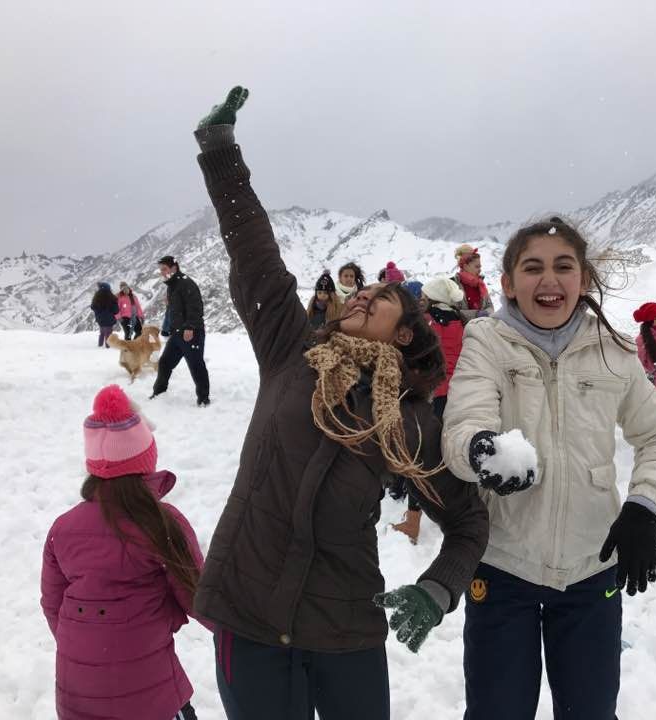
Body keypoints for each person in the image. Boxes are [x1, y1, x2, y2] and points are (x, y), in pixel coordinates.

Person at [191, 87, 488, 720]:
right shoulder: (291, 353)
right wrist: (221, 156)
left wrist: (437, 590)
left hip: (345, 627)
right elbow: (255, 254)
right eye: (361, 292)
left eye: (380, 298)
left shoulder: (411, 421)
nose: (361, 298)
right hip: (248, 612)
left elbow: (467, 524)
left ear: (404, 332)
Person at [442, 217, 656, 720]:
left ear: (583, 279)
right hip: (502, 568)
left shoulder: (613, 351)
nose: (548, 280)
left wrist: (644, 505)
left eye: (563, 266)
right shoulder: (485, 343)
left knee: (590, 713)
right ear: (509, 283)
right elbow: (462, 426)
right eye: (532, 268)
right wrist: (482, 452)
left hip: (591, 569)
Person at [40, 385, 209, 720]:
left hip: (77, 692)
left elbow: (53, 605)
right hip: (149, 694)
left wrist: (91, 643)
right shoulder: (161, 523)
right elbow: (200, 599)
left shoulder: (63, 528)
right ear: (146, 459)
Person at [391, 276, 466, 545]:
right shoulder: (460, 322)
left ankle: (413, 521)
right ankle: (448, 508)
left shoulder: (426, 323)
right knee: (443, 454)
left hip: (428, 396)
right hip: (452, 396)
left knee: (419, 455)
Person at [151, 256, 210, 407]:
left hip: (191, 333)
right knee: (165, 363)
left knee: (196, 365)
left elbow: (195, 307)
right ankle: (159, 393)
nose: (162, 272)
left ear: (174, 267)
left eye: (164, 269)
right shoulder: (172, 286)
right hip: (177, 333)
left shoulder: (186, 283)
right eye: (161, 270)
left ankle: (203, 399)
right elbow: (175, 310)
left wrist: (190, 327)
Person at [452, 244, 494, 323]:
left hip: (483, 329)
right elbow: (454, 312)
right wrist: (476, 314)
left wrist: (486, 313)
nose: (480, 270)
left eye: (480, 267)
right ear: (465, 266)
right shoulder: (454, 285)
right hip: (464, 332)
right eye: (477, 267)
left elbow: (490, 307)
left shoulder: (480, 285)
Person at [307, 270, 343, 335]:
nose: (322, 295)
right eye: (319, 292)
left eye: (325, 293)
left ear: (331, 294)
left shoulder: (337, 309)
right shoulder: (311, 309)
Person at [90, 282, 119, 348]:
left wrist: (98, 313)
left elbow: (93, 307)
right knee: (108, 333)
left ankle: (100, 345)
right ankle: (108, 347)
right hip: (109, 319)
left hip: (100, 319)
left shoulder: (96, 298)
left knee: (102, 333)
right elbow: (116, 311)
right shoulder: (112, 298)